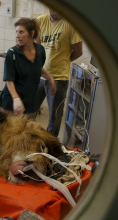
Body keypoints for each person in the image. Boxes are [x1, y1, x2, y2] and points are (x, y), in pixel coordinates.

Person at [36, 9, 83, 137]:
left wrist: (63, 62)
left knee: (54, 116)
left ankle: (50, 147)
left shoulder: (70, 24)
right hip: (40, 75)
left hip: (59, 77)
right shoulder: (40, 21)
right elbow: (37, 46)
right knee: (30, 111)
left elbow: (78, 52)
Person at [0, 18, 55, 120]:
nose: (17, 36)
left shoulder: (40, 51)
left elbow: (37, 68)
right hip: (11, 102)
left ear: (32, 33)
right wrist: (16, 99)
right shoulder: (12, 53)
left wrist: (49, 77)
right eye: (16, 32)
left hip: (30, 102)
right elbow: (9, 80)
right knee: (9, 133)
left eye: (21, 32)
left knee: (27, 132)